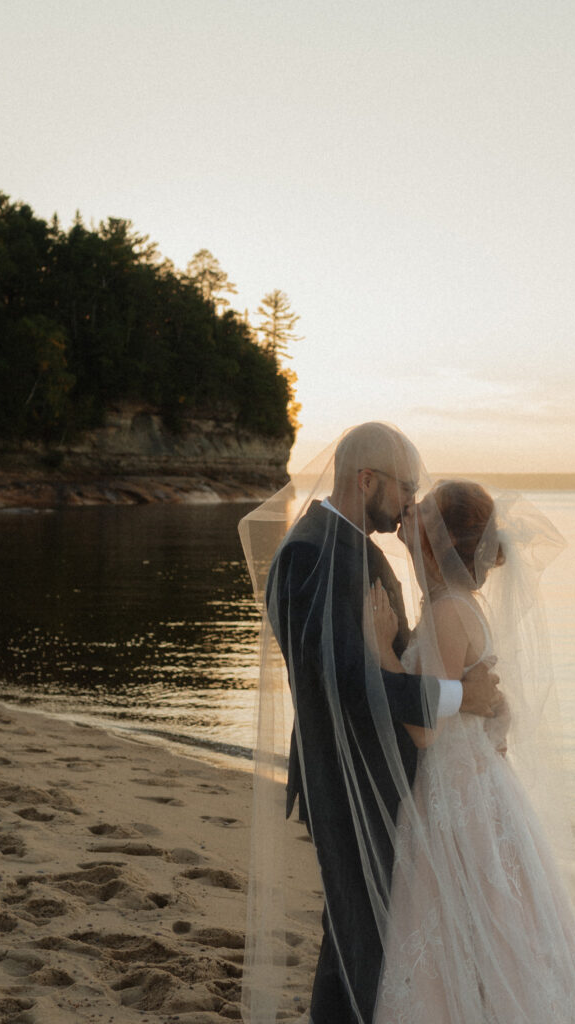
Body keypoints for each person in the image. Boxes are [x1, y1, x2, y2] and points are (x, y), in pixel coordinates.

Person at [238, 424, 500, 1024]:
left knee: (358, 933)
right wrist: (462, 696)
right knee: (363, 936)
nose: (413, 503)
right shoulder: (310, 554)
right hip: (345, 776)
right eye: (405, 488)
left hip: (378, 771)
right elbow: (349, 686)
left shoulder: (359, 546)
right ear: (366, 480)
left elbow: (394, 653)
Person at [370, 479, 575, 1023]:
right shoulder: (463, 604)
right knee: (498, 929)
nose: (409, 512)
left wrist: (381, 649)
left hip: (455, 798)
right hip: (479, 788)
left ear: (438, 537)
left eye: (421, 510)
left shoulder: (446, 611)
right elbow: (491, 710)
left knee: (467, 930)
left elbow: (425, 729)